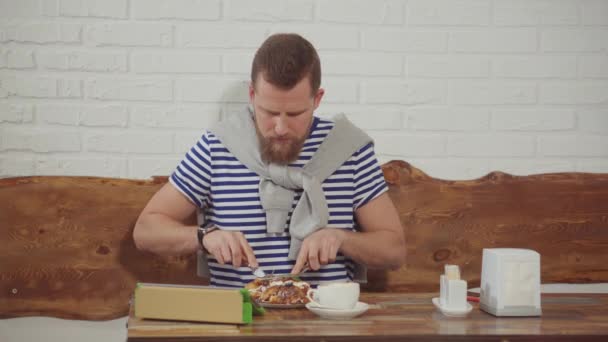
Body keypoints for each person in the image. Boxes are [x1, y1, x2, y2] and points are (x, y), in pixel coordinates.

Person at [133, 33, 405, 288]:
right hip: (237, 323)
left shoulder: (349, 150)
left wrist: (340, 238)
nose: (280, 128)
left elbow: (394, 250)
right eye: (269, 111)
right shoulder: (218, 146)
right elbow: (146, 230)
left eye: (295, 113)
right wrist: (206, 237)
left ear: (317, 98)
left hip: (324, 326)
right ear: (252, 95)